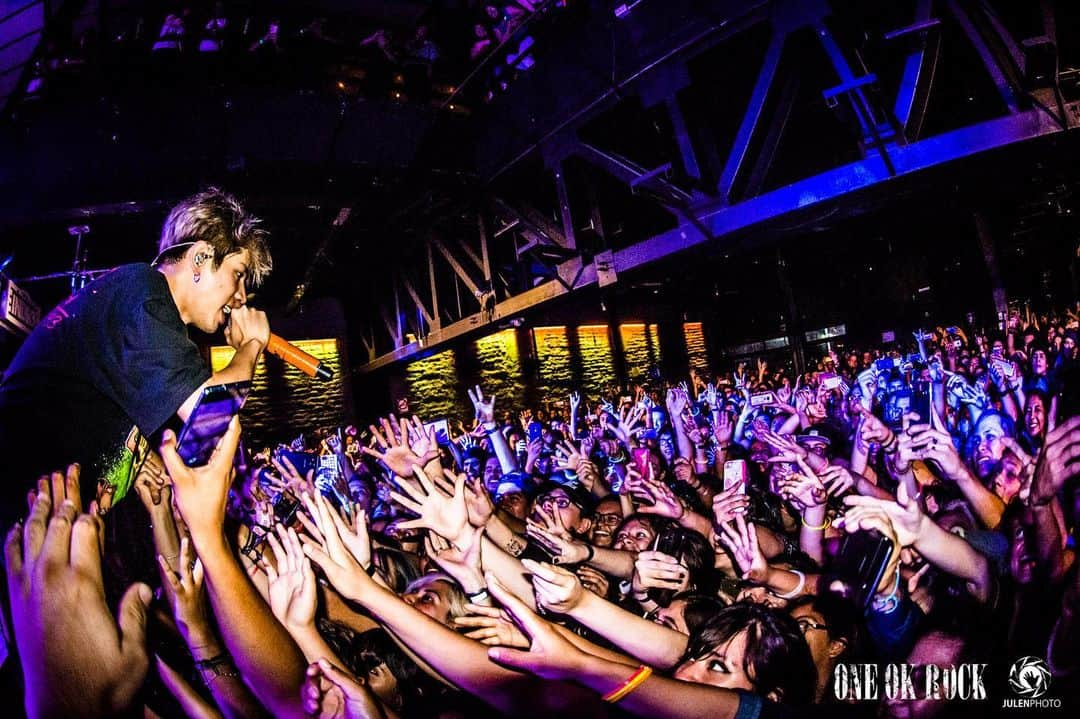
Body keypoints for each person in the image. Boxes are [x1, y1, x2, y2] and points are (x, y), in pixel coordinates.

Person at [0, 188, 272, 520]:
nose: (241, 297)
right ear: (200, 258)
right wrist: (252, 346)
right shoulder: (146, 295)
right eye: (238, 275)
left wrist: (138, 456)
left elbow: (193, 440)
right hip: (20, 525)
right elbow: (210, 416)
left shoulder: (148, 316)